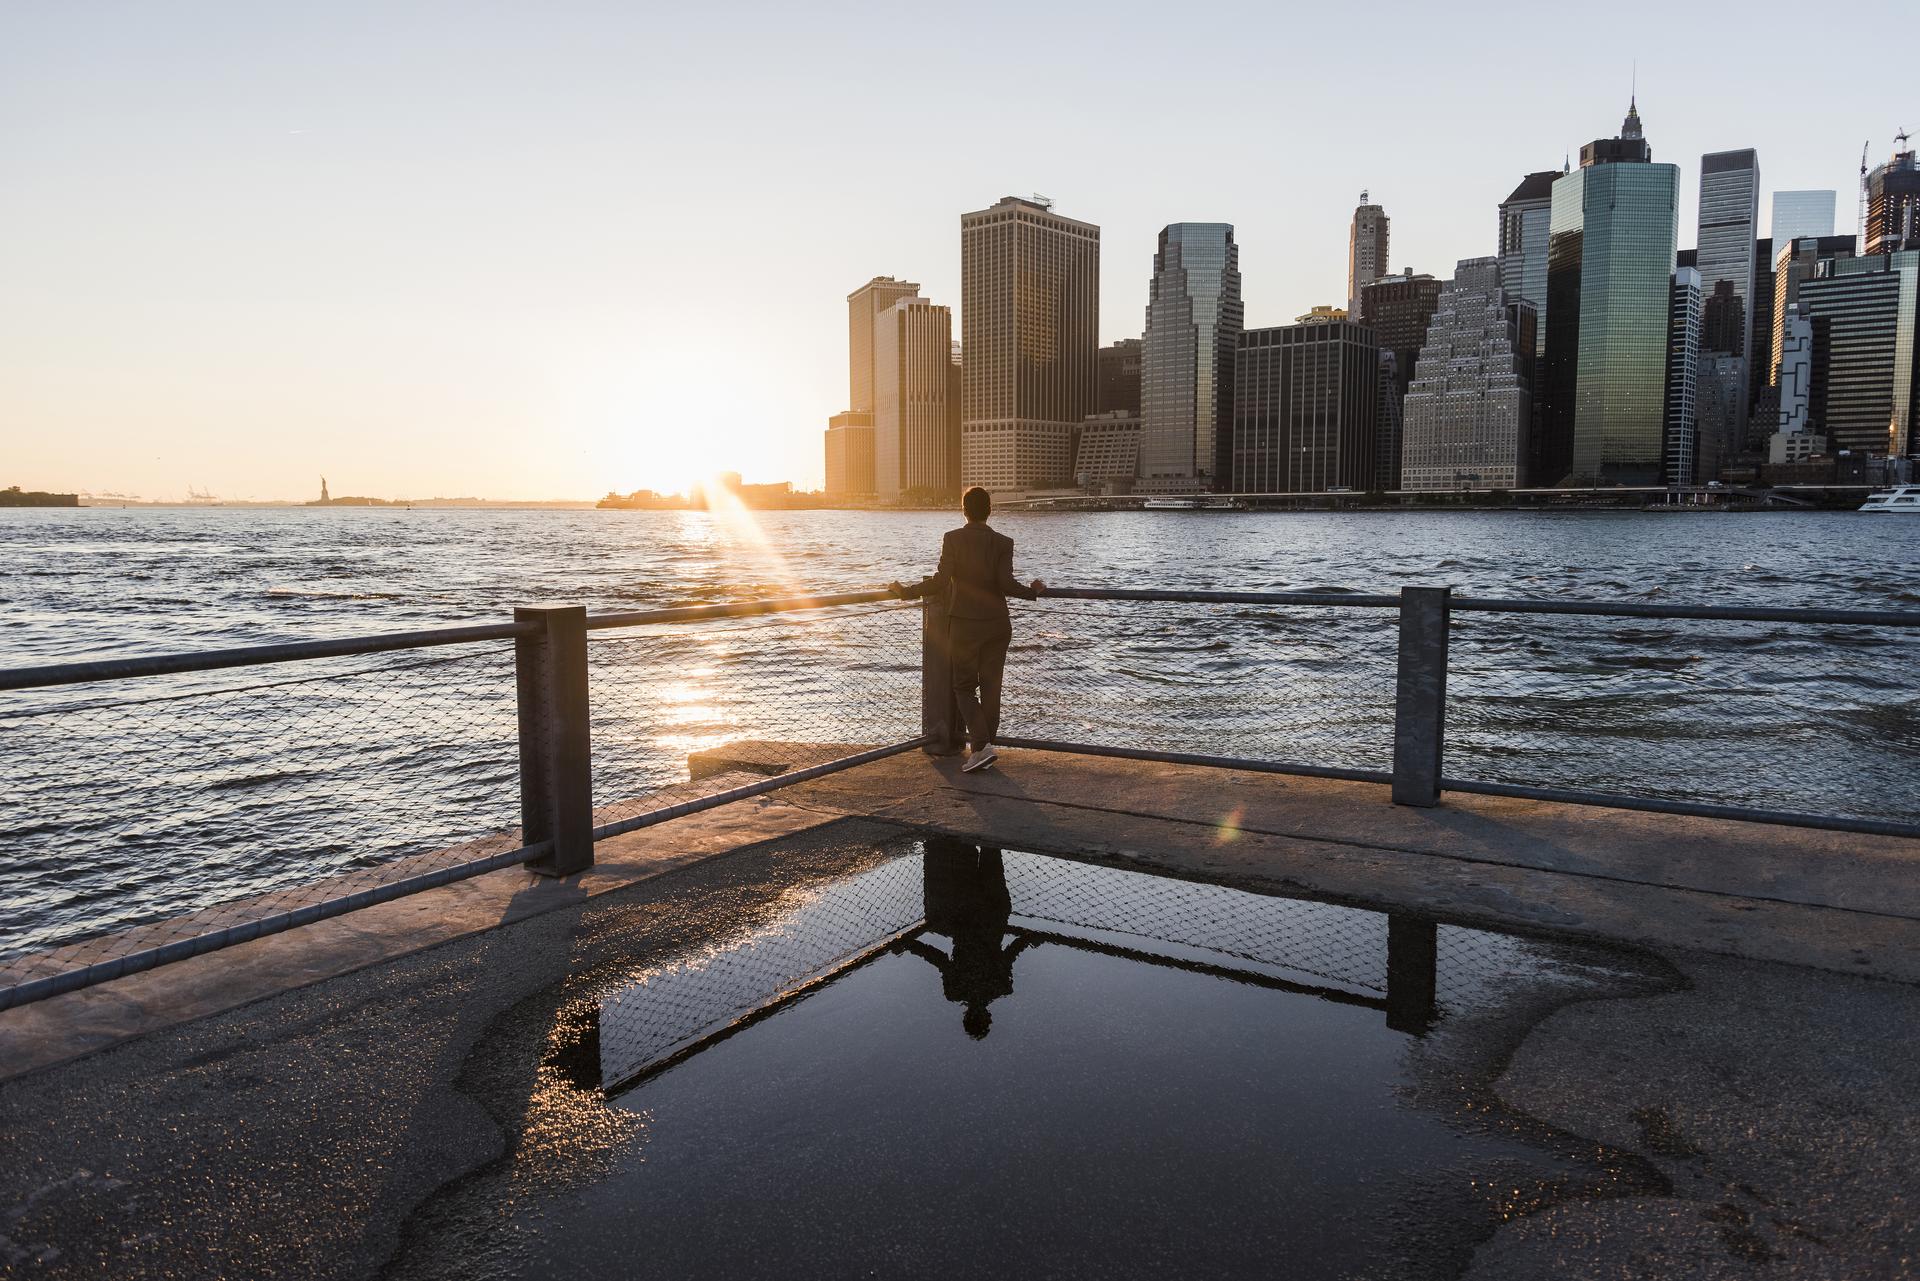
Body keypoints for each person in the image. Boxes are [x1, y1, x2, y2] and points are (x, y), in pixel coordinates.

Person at [888, 486, 1045, 773]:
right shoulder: (1003, 542)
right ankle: (983, 751)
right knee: (991, 688)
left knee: (962, 687)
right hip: (998, 624)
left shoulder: (953, 539)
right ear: (990, 510)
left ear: (964, 510)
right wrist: (1032, 592)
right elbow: (1006, 584)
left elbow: (939, 582)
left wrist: (905, 592)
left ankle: (982, 748)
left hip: (964, 624)